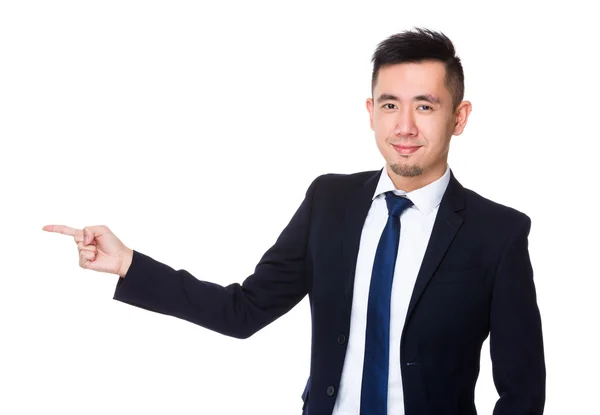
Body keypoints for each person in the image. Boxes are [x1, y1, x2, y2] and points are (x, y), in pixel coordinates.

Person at [42, 27, 545, 415]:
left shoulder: (497, 234)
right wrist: (130, 264)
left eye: (426, 106)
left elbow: (522, 391)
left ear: (459, 117)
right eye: (390, 105)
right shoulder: (330, 201)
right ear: (371, 112)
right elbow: (243, 311)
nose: (405, 126)